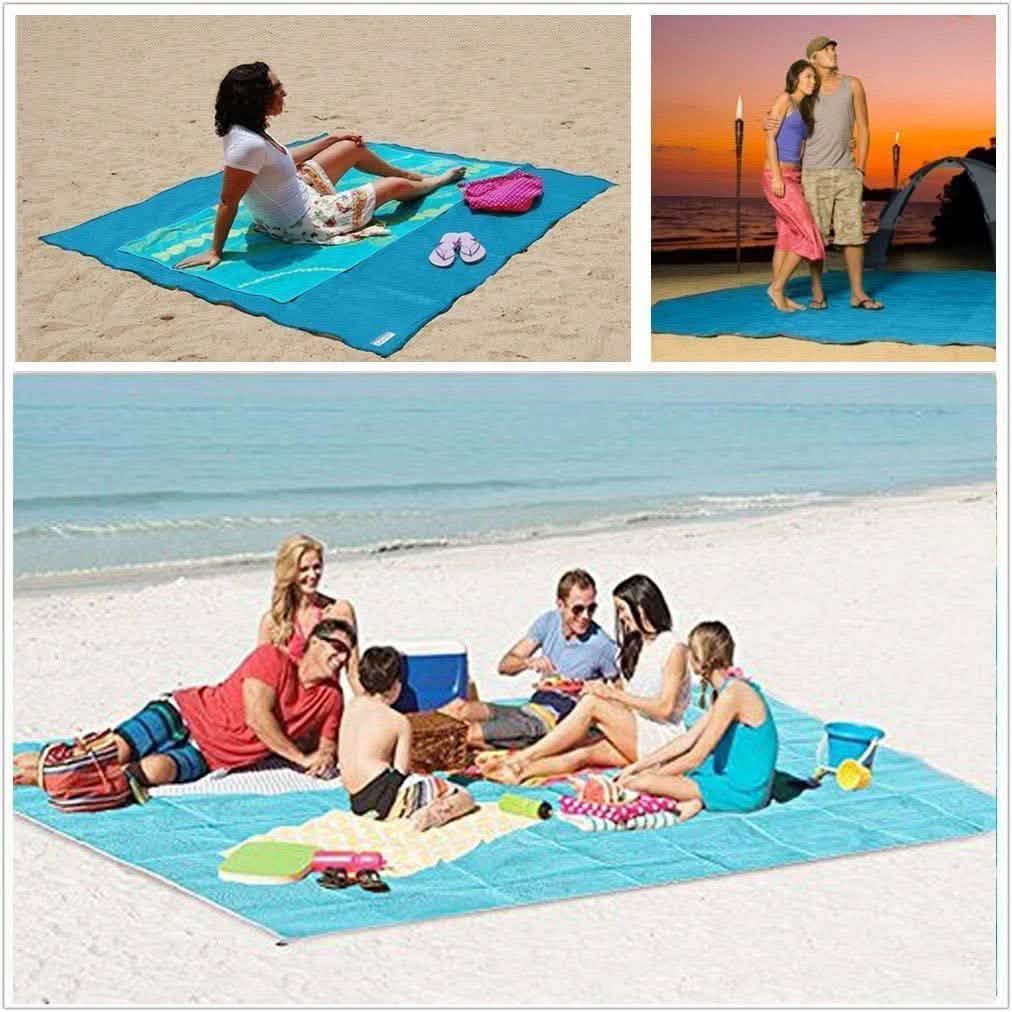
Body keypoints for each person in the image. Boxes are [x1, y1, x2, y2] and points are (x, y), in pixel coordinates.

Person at [13, 619, 356, 797]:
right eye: (336, 647)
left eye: (347, 651)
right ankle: (28, 770)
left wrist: (325, 754)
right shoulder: (272, 659)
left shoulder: (331, 697)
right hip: (185, 712)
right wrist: (301, 758)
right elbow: (257, 718)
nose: (341, 657)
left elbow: (328, 740)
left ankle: (41, 776)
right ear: (313, 642)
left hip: (209, 756)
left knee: (138, 777)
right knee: (109, 752)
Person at [175, 62, 465, 270]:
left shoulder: (248, 129)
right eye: (277, 88)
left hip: (299, 193)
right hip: (300, 223)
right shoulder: (245, 145)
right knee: (393, 189)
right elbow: (228, 201)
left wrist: (329, 139)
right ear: (256, 99)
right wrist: (215, 250)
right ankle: (432, 182)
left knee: (350, 147)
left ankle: (408, 174)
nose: (284, 92)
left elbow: (284, 160)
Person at [479, 574, 691, 784]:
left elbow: (665, 708)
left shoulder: (673, 648)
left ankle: (524, 756)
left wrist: (611, 695)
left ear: (642, 608)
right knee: (581, 753)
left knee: (592, 705)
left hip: (662, 739)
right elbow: (631, 697)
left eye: (623, 610)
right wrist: (600, 691)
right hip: (638, 732)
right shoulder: (637, 645)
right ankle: (518, 772)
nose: (621, 618)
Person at [616, 621, 779, 823]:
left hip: (741, 790)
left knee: (642, 784)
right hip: (726, 775)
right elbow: (688, 739)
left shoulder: (733, 695)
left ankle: (694, 798)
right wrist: (637, 767)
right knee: (650, 776)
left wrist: (651, 777)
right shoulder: (729, 689)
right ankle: (693, 800)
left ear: (699, 659)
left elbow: (696, 756)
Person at [439, 569, 619, 750]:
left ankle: (519, 752)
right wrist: (528, 662)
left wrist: (594, 697)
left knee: (467, 735)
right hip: (531, 707)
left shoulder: (601, 645)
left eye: (591, 608)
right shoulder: (549, 622)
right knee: (456, 709)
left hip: (552, 723)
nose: (585, 616)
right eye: (578, 609)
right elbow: (504, 665)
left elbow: (622, 690)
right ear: (560, 605)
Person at [338, 646, 476, 830]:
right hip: (386, 798)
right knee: (464, 797)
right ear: (396, 685)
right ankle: (432, 815)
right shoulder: (398, 721)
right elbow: (401, 771)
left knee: (417, 786)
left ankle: (414, 807)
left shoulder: (352, 706)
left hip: (357, 802)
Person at [795, 36, 883, 310]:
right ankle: (817, 291)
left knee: (852, 234)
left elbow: (864, 128)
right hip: (813, 172)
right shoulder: (806, 89)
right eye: (826, 50)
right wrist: (767, 119)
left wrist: (861, 169)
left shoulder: (852, 84)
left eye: (834, 48)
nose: (833, 52)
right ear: (813, 58)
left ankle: (858, 293)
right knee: (816, 235)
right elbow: (787, 113)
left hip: (847, 171)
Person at [257, 533, 360, 691]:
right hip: (288, 710)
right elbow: (261, 681)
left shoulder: (340, 611)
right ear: (289, 572)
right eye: (304, 569)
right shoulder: (272, 621)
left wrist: (368, 707)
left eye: (317, 567)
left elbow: (353, 673)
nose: (313, 575)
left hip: (327, 705)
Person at [762, 60, 825, 312]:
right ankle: (776, 288)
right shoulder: (785, 99)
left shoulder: (805, 107)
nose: (812, 81)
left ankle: (779, 293)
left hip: (794, 176)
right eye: (808, 76)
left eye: (814, 78)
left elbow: (799, 146)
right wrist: (777, 176)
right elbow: (769, 138)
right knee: (809, 234)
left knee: (787, 236)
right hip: (778, 176)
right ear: (795, 77)